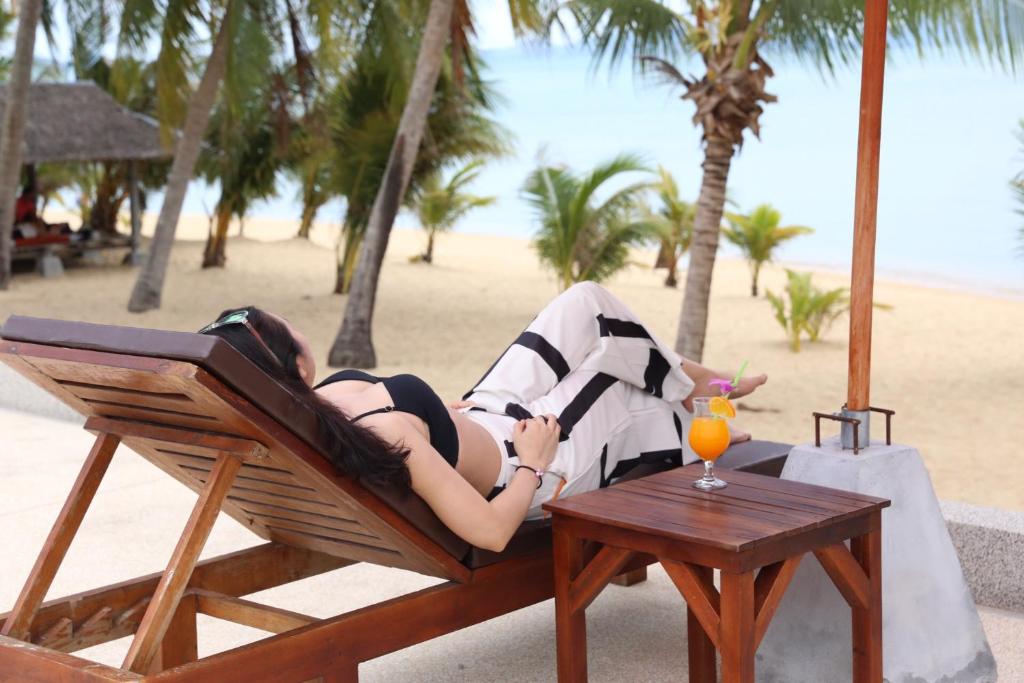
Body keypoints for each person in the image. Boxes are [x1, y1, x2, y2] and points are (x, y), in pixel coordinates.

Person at [198, 282, 766, 552]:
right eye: (287, 322)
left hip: (489, 412)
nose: (297, 323)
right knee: (614, 380)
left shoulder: (325, 402)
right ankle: (709, 412)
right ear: (291, 360)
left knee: (586, 304)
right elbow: (492, 533)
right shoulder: (381, 432)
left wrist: (435, 412)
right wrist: (534, 466)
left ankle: (704, 389)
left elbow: (418, 436)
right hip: (527, 454)